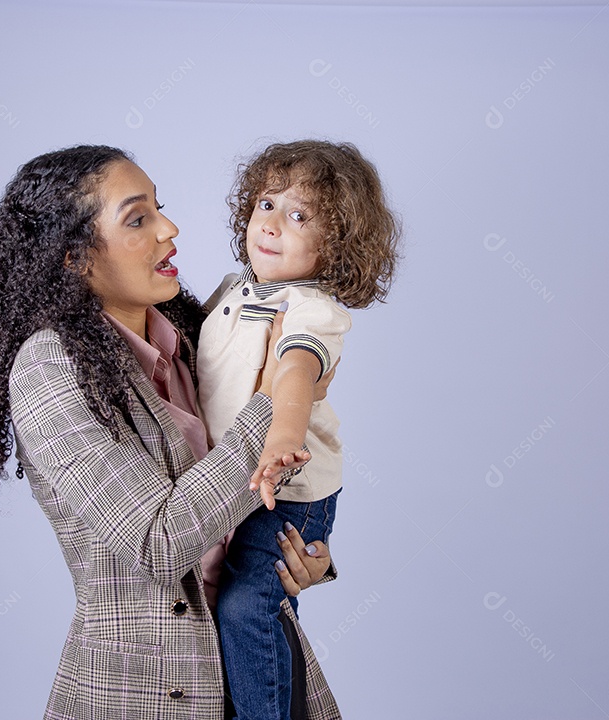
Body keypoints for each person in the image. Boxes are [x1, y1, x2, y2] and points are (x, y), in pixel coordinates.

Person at [0, 145, 341, 720]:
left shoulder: (199, 338)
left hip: (258, 668)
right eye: (138, 218)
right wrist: (272, 405)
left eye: (161, 207)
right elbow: (156, 543)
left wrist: (293, 556)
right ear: (73, 257)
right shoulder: (49, 369)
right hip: (146, 692)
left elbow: (239, 509)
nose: (170, 228)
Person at [199, 140, 399, 720]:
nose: (271, 225)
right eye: (266, 204)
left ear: (334, 245)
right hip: (247, 481)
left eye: (299, 216)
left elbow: (297, 371)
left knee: (243, 608)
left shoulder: (310, 307)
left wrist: (284, 435)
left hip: (290, 491)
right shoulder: (233, 291)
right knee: (253, 607)